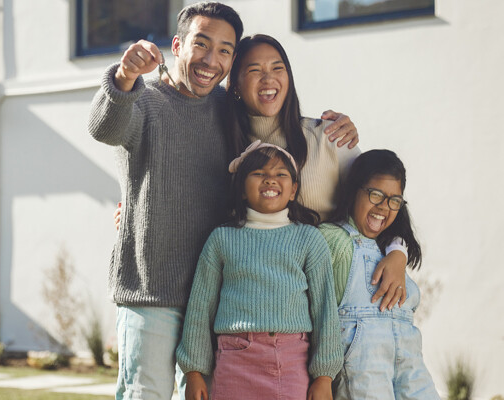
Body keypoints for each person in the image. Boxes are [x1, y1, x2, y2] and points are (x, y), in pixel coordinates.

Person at [88, 3, 356, 399]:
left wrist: (339, 126)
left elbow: (272, 121)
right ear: (178, 45)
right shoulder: (143, 101)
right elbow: (103, 128)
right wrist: (125, 75)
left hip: (215, 304)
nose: (211, 60)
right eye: (202, 43)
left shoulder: (228, 113)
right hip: (153, 294)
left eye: (225, 50)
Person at [224, 34, 410, 311]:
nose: (268, 79)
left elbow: (383, 200)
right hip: (272, 306)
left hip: (342, 302)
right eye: (254, 71)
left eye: (278, 68)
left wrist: (398, 252)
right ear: (235, 85)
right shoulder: (228, 153)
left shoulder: (327, 137)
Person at [177, 142, 342, 400]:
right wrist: (194, 372)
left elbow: (325, 311)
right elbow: (200, 308)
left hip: (290, 363)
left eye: (280, 174)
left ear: (293, 190)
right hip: (234, 362)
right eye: (259, 174)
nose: (270, 180)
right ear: (242, 189)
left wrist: (324, 376)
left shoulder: (309, 239)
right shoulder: (222, 239)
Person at [319, 150, 440, 399]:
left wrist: (398, 251)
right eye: (376, 195)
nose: (384, 207)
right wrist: (321, 376)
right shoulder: (333, 240)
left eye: (394, 200)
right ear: (354, 190)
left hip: (413, 377)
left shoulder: (391, 247)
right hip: (365, 378)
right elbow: (317, 316)